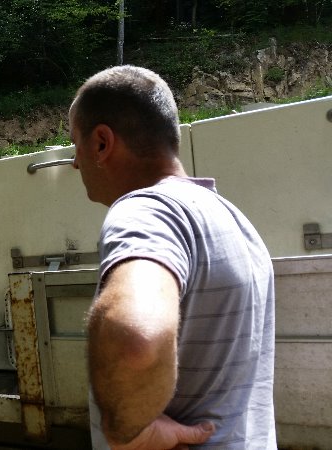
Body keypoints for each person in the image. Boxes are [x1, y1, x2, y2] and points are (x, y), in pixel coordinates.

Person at [69, 65, 276, 449]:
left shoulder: (145, 211)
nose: (75, 163)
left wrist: (129, 431)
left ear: (101, 143)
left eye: (76, 145)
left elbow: (135, 338)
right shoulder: (230, 216)